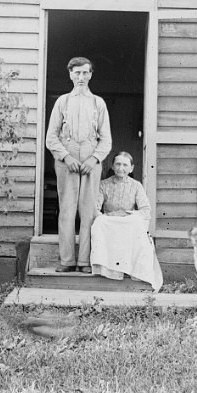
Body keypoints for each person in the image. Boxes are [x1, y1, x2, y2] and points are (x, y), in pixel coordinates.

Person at [45, 57, 112, 273]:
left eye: (85, 73)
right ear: (70, 75)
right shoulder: (62, 102)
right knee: (66, 209)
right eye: (77, 73)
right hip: (68, 159)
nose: (81, 77)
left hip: (92, 159)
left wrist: (93, 159)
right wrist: (66, 157)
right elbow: (51, 137)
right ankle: (67, 260)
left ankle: (84, 261)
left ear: (91, 74)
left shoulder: (98, 103)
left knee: (89, 211)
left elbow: (106, 139)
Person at [90, 151, 163, 292]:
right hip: (110, 223)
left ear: (131, 168)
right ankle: (106, 269)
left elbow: (145, 210)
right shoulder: (103, 185)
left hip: (127, 223)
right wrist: (107, 217)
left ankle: (133, 270)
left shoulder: (136, 186)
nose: (121, 168)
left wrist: (129, 215)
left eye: (125, 165)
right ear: (112, 166)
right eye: (117, 164)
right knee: (99, 222)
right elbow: (95, 209)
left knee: (136, 222)